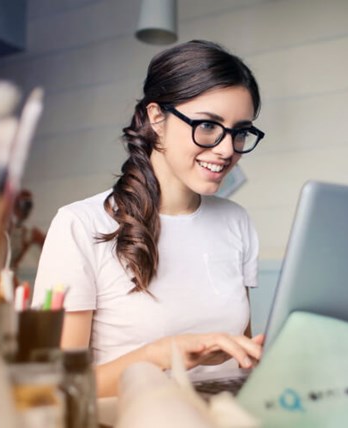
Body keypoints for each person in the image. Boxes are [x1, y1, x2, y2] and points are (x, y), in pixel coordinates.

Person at [32, 40, 266, 397]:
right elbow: (58, 386)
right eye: (207, 126)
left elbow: (242, 354)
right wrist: (160, 356)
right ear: (157, 118)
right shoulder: (79, 225)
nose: (226, 149)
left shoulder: (236, 221)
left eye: (240, 131)